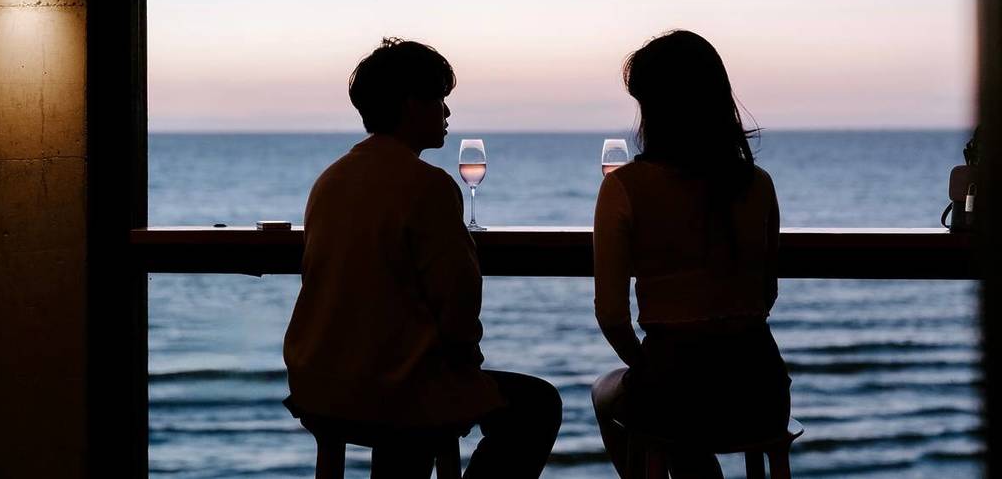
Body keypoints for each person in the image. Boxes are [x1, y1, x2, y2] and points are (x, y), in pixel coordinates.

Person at [283, 38, 561, 478]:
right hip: (391, 392)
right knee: (536, 404)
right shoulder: (427, 186)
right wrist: (467, 364)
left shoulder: (330, 179)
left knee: (408, 376)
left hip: (318, 382)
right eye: (440, 100)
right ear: (412, 105)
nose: (447, 114)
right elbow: (458, 301)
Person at [591, 30, 790, 478]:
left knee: (611, 395)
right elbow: (767, 293)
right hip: (762, 389)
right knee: (675, 411)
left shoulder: (623, 189)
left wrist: (651, 366)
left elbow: (612, 317)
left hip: (677, 388)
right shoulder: (757, 184)